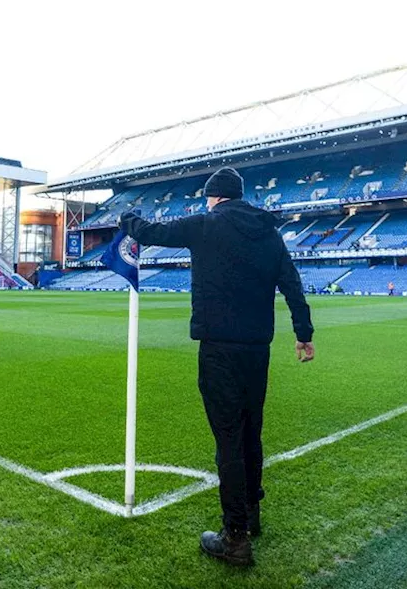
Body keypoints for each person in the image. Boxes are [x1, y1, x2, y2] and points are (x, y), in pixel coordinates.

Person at [120, 166, 314, 567]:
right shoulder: (269, 232)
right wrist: (303, 333)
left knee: (228, 437)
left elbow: (152, 232)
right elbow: (292, 284)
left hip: (219, 349)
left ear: (214, 196)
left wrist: (126, 219)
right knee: (250, 432)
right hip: (257, 350)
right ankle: (252, 513)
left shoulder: (206, 224)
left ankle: (236, 537)